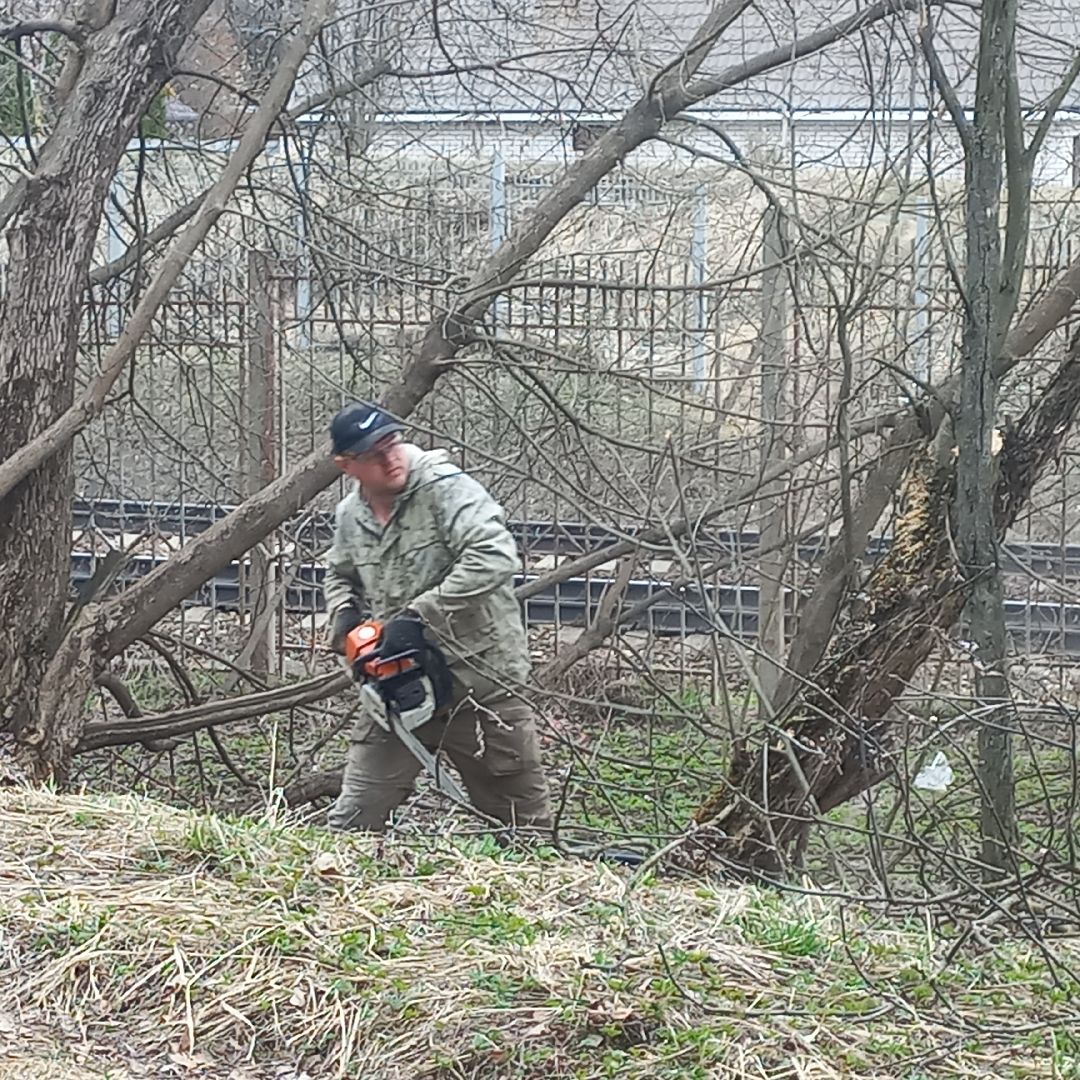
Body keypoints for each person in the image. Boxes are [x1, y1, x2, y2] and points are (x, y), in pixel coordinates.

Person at [321, 400, 553, 834]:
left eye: (392, 442)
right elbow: (338, 572)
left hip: (480, 682)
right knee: (353, 820)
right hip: (400, 685)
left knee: (523, 831)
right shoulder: (350, 516)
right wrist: (344, 613)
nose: (390, 457)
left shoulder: (446, 488)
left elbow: (494, 556)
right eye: (374, 453)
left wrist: (419, 616)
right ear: (347, 465)